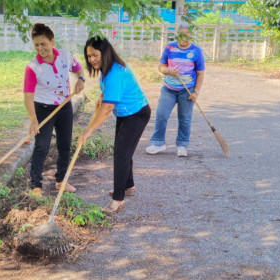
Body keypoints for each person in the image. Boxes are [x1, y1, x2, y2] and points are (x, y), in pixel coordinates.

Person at [79, 37, 151, 214]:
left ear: (106, 52)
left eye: (95, 55)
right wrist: (103, 95)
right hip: (126, 113)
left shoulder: (115, 73)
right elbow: (110, 95)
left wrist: (88, 130)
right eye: (89, 56)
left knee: (121, 154)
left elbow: (107, 109)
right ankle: (128, 186)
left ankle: (118, 200)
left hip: (136, 114)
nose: (92, 59)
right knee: (123, 152)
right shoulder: (107, 69)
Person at [23, 23, 85, 197]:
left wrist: (81, 78)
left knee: (64, 145)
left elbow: (78, 68)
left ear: (52, 41)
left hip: (64, 106)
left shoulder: (65, 56)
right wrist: (34, 120)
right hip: (43, 108)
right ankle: (36, 186)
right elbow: (28, 96)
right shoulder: (33, 67)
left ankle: (61, 181)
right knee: (41, 146)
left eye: (43, 43)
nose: (40, 48)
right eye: (36, 45)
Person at [146, 24, 205, 157]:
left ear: (191, 35)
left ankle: (182, 145)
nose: (183, 39)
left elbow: (200, 74)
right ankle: (158, 143)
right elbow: (161, 66)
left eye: (186, 35)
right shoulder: (169, 47)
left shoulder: (196, 51)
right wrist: (169, 72)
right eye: (180, 35)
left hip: (187, 90)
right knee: (161, 115)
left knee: (185, 118)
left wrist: (196, 92)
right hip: (169, 89)